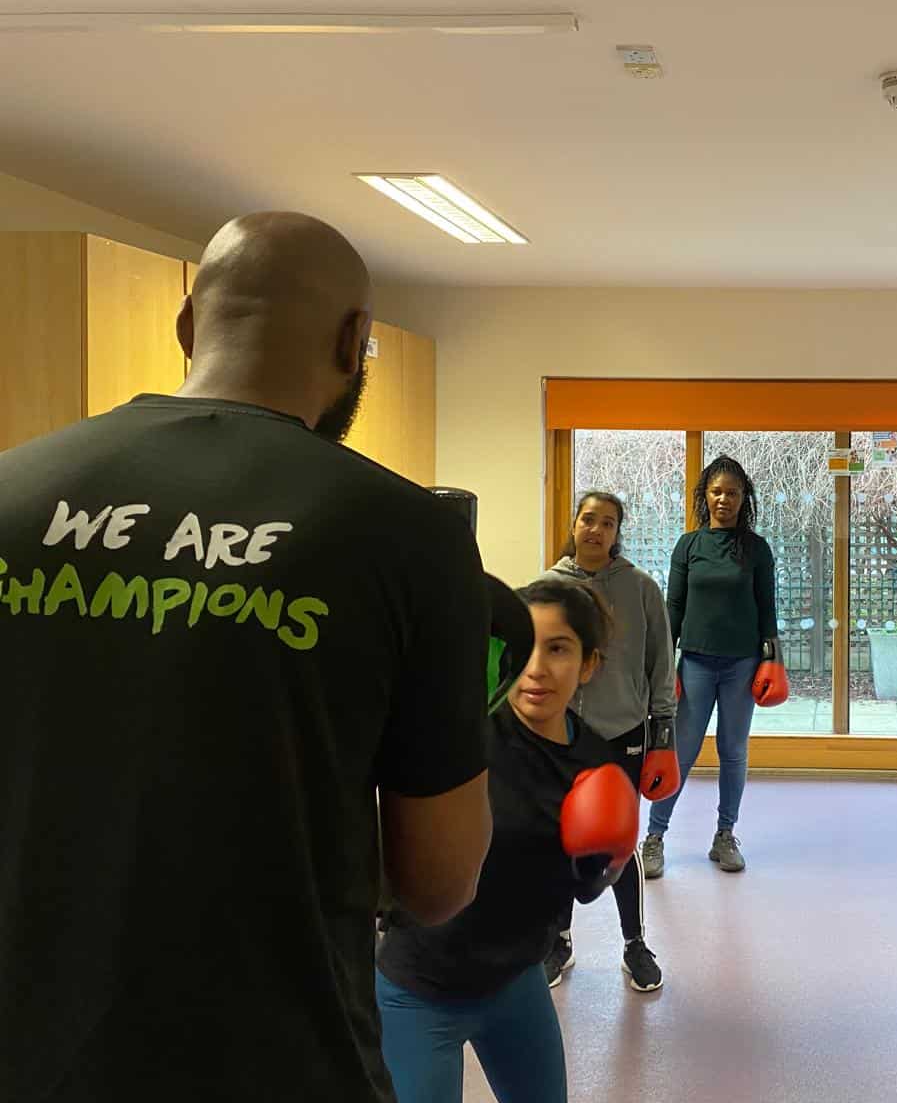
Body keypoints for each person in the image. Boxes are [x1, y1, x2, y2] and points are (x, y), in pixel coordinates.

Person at [0, 213, 496, 1102]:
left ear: (187, 324)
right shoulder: (409, 537)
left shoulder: (9, 489)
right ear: (356, 343)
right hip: (275, 1059)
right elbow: (439, 882)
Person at [377, 576, 639, 1103]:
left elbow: (584, 890)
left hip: (514, 981)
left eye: (559, 649)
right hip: (419, 986)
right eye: (527, 648)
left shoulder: (595, 763)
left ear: (588, 665)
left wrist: (597, 865)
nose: (537, 668)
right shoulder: (464, 736)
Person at [539, 490, 677, 992]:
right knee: (558, 838)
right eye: (588, 519)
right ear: (574, 525)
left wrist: (663, 733)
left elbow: (662, 663)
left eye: (608, 523)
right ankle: (558, 940)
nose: (595, 529)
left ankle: (635, 944)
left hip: (624, 731)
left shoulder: (640, 588)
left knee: (618, 841)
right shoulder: (547, 587)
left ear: (619, 533)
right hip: (561, 732)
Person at [642, 454, 783, 877]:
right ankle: (654, 837)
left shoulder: (756, 549)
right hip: (696, 663)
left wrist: (772, 660)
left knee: (733, 752)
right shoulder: (689, 545)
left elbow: (767, 609)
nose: (725, 499)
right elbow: (675, 605)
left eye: (733, 493)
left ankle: (725, 836)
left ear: (744, 499)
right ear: (705, 495)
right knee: (678, 751)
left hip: (743, 665)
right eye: (717, 491)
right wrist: (660, 663)